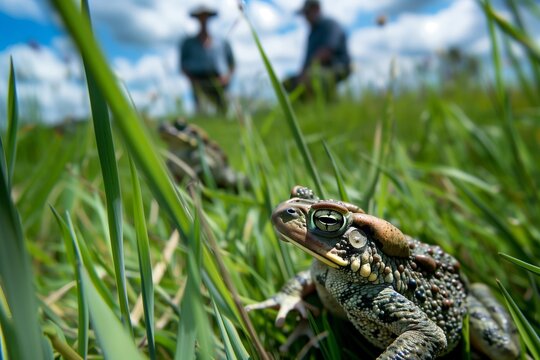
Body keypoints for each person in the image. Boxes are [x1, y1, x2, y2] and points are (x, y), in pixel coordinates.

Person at [284, 0, 351, 100]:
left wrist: (307, 71)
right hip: (314, 70)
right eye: (304, 14)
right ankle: (306, 109)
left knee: (311, 77)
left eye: (307, 13)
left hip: (337, 67)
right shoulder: (311, 35)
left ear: (317, 9)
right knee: (287, 83)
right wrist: (301, 74)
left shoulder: (329, 24)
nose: (305, 17)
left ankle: (331, 103)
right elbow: (306, 61)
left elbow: (326, 51)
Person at [180, 5, 235, 113]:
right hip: (197, 78)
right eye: (200, 17)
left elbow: (231, 63)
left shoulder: (222, 42)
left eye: (205, 17)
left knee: (222, 108)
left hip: (218, 78)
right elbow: (183, 64)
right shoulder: (188, 43)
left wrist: (226, 77)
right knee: (201, 109)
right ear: (197, 19)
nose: (203, 20)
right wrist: (192, 79)